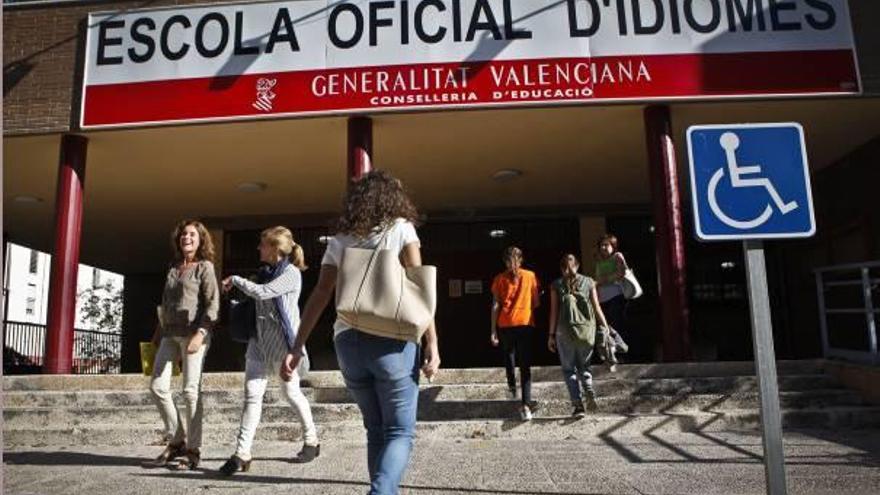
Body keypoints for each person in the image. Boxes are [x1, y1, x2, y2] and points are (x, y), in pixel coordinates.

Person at [282, 170, 441, 495]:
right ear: (393, 199)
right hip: (393, 341)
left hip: (349, 341)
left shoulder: (341, 239)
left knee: (376, 429)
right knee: (399, 431)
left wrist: (297, 346)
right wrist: (432, 342)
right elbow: (419, 289)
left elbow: (321, 292)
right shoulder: (401, 229)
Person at [218, 226, 320, 475]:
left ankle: (312, 440)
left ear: (275, 248)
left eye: (262, 244)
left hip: (285, 346)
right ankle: (242, 454)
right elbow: (256, 301)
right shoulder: (263, 273)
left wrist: (236, 280)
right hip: (258, 343)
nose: (258, 248)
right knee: (252, 396)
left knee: (291, 394)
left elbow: (265, 294)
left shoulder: (292, 274)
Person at [146, 220, 220, 470]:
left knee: (190, 391)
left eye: (192, 235)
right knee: (157, 386)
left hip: (194, 334)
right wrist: (156, 336)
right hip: (169, 334)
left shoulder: (205, 267)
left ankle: (193, 450)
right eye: (183, 235)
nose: (186, 238)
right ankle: (177, 439)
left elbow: (212, 304)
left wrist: (201, 333)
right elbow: (165, 304)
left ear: (200, 240)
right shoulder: (173, 267)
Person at [548, 254, 611, 418]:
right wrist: (605, 327)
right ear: (578, 265)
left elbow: (554, 312)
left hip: (564, 332)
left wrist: (551, 335)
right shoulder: (589, 282)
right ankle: (588, 385)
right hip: (586, 331)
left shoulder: (556, 285)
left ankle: (578, 407)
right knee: (584, 366)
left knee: (569, 369)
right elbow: (597, 307)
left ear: (562, 268)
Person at [490, 246, 541, 421]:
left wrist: (492, 330)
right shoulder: (531, 276)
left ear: (505, 261)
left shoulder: (499, 279)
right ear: (521, 260)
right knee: (525, 366)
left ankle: (512, 385)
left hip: (505, 324)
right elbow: (536, 302)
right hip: (525, 322)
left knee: (509, 357)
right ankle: (525, 405)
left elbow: (495, 305)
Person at [595, 234, 630, 368]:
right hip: (603, 299)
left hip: (617, 295)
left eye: (607, 245)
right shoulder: (598, 261)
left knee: (617, 325)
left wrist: (604, 279)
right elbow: (597, 280)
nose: (604, 248)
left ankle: (622, 355)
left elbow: (621, 273)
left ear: (613, 246)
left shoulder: (617, 256)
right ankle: (610, 356)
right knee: (606, 328)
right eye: (601, 245)